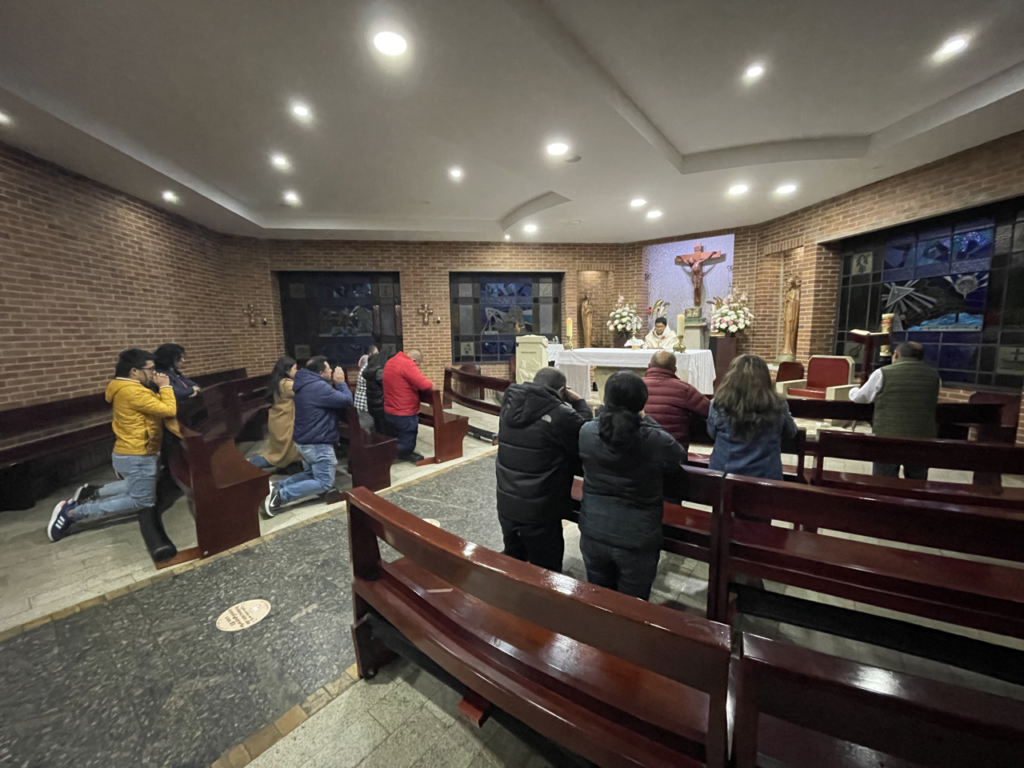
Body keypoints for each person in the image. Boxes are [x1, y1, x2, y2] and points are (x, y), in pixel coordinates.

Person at [47, 349, 177, 542]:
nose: (153, 373)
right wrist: (166, 387)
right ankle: (73, 512)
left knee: (136, 485)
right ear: (134, 371)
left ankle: (91, 493)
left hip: (133, 451)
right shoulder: (132, 391)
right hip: (137, 453)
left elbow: (155, 406)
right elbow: (168, 409)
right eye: (150, 369)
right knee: (142, 500)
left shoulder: (128, 387)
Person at [578, 371, 685, 600]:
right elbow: (678, 457)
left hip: (594, 531)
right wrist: (645, 418)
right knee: (633, 607)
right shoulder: (655, 440)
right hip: (636, 538)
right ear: (641, 402)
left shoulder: (587, 432)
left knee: (600, 600)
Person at [496, 367, 593, 571]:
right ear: (561, 391)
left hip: (507, 501)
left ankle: (514, 597)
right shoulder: (560, 414)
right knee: (547, 569)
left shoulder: (509, 404)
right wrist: (579, 402)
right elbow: (585, 432)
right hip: (540, 509)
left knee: (514, 560)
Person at [263, 356, 352, 517]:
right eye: (329, 369)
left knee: (311, 474)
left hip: (305, 440)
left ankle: (277, 486)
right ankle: (280, 497)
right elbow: (346, 400)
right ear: (321, 373)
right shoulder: (318, 387)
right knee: (324, 482)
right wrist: (340, 383)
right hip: (318, 441)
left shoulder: (304, 384)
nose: (331, 371)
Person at [849, 341, 940, 480]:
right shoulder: (934, 376)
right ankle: (913, 500)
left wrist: (853, 390)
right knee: (917, 479)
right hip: (923, 438)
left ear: (896, 355)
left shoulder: (883, 373)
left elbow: (861, 398)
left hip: (888, 438)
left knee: (884, 479)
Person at [707, 355, 797, 480]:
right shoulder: (778, 404)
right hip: (765, 478)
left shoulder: (719, 403)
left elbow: (711, 433)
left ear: (731, 377)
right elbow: (791, 432)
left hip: (724, 477)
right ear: (765, 378)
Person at [643, 350, 710, 451]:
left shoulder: (636, 385)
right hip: (673, 450)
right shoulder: (684, 389)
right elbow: (709, 411)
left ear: (649, 366)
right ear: (674, 369)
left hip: (640, 449)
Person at [249, 356, 302, 471]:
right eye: (295, 369)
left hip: (279, 421)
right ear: (287, 370)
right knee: (277, 456)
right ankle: (248, 465)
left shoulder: (278, 381)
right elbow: (304, 389)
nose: (297, 372)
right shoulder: (286, 384)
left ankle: (293, 466)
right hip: (285, 423)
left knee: (277, 452)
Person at [383, 349, 434, 462]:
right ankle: (380, 456)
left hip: (390, 409)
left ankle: (389, 452)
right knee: (407, 443)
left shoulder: (391, 361)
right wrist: (432, 384)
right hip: (404, 411)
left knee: (397, 436)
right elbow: (424, 384)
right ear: (414, 360)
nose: (417, 367)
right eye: (418, 365)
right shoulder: (407, 364)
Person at [362, 348, 395, 436]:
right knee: (387, 433)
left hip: (373, 405)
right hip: (381, 406)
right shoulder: (379, 372)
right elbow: (391, 386)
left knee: (379, 430)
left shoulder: (370, 371)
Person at [353, 345, 379, 433]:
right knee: (366, 427)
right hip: (365, 405)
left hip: (361, 403)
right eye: (376, 353)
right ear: (371, 354)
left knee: (366, 427)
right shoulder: (369, 369)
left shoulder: (365, 367)